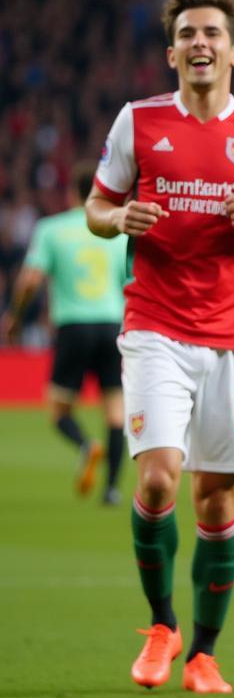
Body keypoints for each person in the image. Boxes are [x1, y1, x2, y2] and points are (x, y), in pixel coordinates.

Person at [85, 0, 234, 695]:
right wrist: (122, 221)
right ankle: (162, 625)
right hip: (154, 327)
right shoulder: (139, 122)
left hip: (233, 335)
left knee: (217, 499)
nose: (199, 43)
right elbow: (96, 206)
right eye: (187, 33)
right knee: (155, 477)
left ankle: (204, 653)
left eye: (211, 32)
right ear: (171, 51)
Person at [2, 163, 128, 504]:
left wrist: (13, 316)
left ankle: (87, 445)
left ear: (72, 191)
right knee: (116, 410)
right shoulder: (118, 232)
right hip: (112, 324)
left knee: (59, 411)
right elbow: (133, 282)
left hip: (73, 326)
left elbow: (29, 280)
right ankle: (112, 490)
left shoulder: (51, 229)